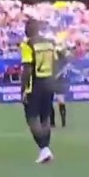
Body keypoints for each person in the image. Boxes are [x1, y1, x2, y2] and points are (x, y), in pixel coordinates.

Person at [20, 19, 58, 164]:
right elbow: (54, 63)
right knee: (45, 117)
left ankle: (44, 148)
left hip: (35, 84)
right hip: (48, 82)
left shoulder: (28, 44)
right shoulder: (49, 43)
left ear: (29, 29)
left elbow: (27, 68)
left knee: (32, 118)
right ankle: (45, 149)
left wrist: (23, 88)